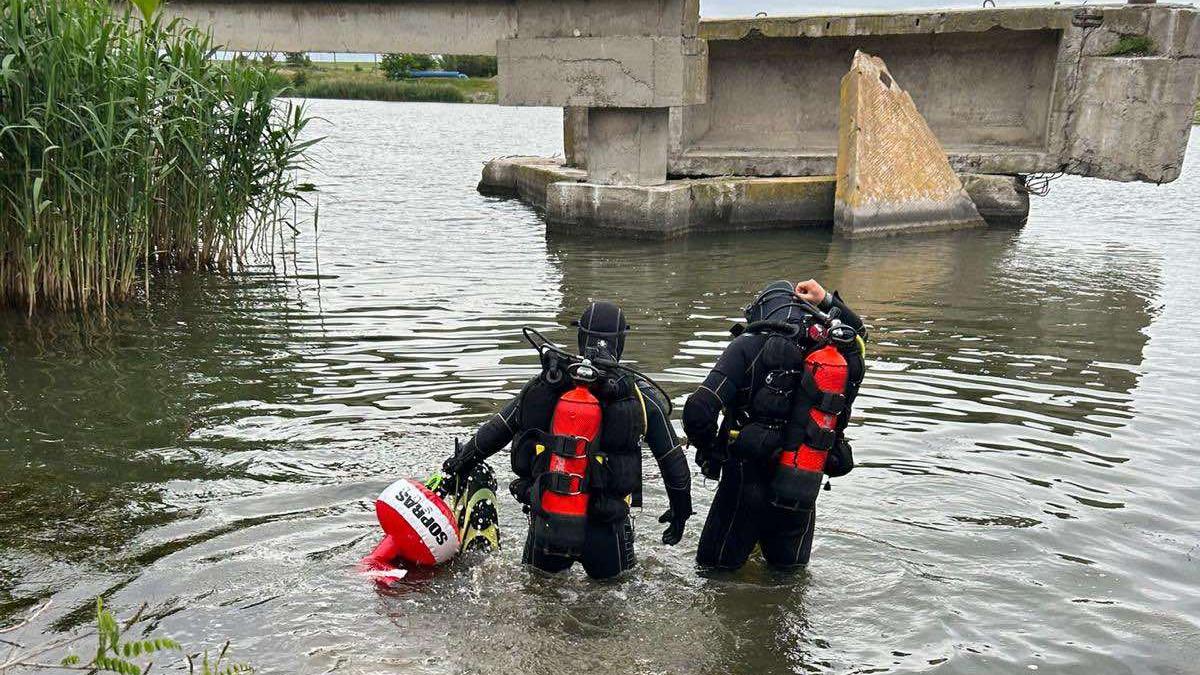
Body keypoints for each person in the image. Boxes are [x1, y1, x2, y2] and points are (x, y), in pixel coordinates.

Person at [442, 301, 692, 580]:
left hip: (550, 522)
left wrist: (457, 466)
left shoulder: (548, 384)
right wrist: (680, 513)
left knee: (538, 592)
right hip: (607, 530)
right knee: (616, 596)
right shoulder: (639, 397)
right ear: (621, 341)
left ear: (581, 336)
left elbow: (496, 430)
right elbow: (674, 464)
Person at [683, 279, 867, 571]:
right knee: (789, 581)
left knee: (715, 576)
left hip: (745, 482)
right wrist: (826, 300)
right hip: (801, 481)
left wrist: (712, 452)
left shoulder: (747, 345)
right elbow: (860, 335)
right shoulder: (833, 352)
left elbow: (698, 410)